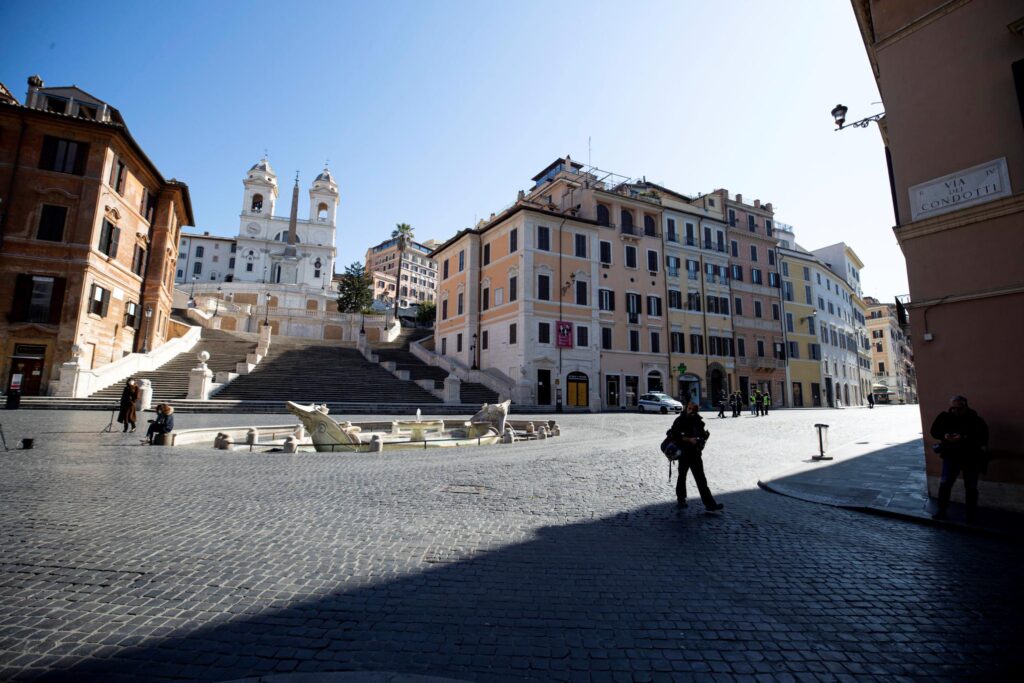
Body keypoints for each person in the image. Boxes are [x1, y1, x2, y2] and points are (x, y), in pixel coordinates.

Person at [930, 395, 989, 522]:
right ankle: (942, 511)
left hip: (971, 457)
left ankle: (970, 515)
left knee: (971, 487)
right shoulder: (944, 417)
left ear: (965, 406)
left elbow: (983, 437)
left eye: (959, 408)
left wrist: (963, 437)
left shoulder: (976, 420)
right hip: (951, 456)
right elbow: (934, 432)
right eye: (953, 408)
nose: (955, 411)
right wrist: (945, 436)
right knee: (945, 484)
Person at [667, 402, 724, 512]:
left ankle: (710, 504)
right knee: (682, 476)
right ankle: (681, 499)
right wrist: (689, 439)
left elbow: (701, 435)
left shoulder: (698, 421)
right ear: (686, 408)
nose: (691, 410)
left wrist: (703, 439)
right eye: (689, 408)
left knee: (701, 479)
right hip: (683, 453)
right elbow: (674, 434)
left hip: (695, 454)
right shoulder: (680, 420)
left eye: (693, 409)